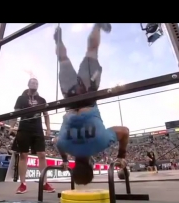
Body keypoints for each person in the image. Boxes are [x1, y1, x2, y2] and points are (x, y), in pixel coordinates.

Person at [53, 24, 130, 185]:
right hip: (70, 100)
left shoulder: (100, 144)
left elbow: (124, 131)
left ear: (91, 165)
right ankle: (58, 40)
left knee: (92, 51)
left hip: (88, 96)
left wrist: (121, 156)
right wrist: (64, 159)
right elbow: (55, 142)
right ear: (75, 166)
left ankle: (98, 26)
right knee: (63, 59)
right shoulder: (64, 144)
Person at [10, 78, 54, 194]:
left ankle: (45, 183)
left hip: (37, 129)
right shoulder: (21, 98)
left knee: (42, 154)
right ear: (28, 84)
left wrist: (48, 128)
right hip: (24, 128)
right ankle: (23, 184)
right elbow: (15, 113)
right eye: (33, 83)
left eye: (36, 83)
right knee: (23, 155)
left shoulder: (42, 99)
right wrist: (11, 126)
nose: (35, 84)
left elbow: (46, 115)